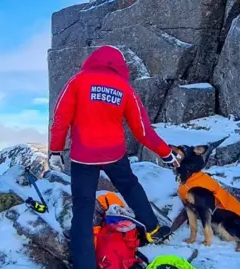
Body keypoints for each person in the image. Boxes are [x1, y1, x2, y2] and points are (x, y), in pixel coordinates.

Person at [48, 45, 179, 269]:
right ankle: (153, 230)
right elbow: (143, 130)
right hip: (114, 153)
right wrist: (166, 154)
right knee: (130, 186)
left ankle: (84, 263)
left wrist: (56, 150)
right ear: (120, 66)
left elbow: (61, 118)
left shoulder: (78, 81)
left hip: (83, 156)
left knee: (83, 207)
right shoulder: (124, 88)